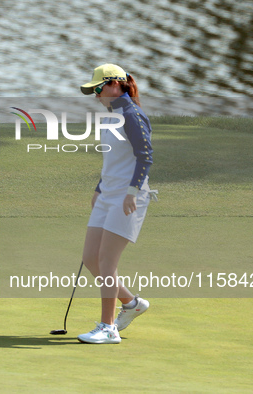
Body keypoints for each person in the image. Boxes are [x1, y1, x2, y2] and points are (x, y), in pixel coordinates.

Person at [77, 64, 154, 344]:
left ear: (115, 85)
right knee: (91, 258)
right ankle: (132, 304)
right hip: (107, 195)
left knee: (107, 262)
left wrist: (132, 192)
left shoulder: (133, 116)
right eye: (93, 91)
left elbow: (145, 156)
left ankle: (108, 327)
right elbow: (113, 159)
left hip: (127, 197)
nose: (96, 95)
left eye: (98, 88)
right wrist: (99, 188)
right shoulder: (111, 117)